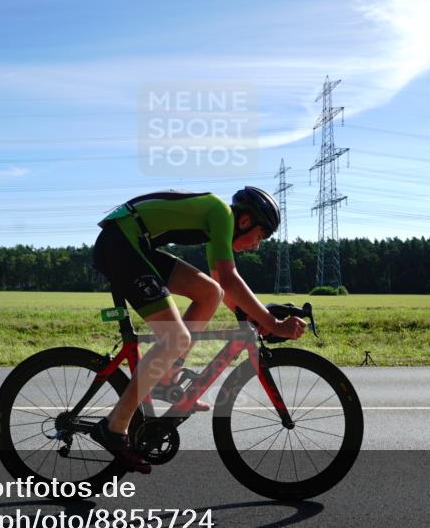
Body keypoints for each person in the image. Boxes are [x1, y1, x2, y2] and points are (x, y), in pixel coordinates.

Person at [90, 187, 307, 472]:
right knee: (175, 338)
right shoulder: (221, 213)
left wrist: (251, 319)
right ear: (245, 222)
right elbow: (231, 278)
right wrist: (271, 322)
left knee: (209, 293)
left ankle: (165, 380)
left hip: (132, 243)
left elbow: (222, 285)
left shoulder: (217, 224)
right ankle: (115, 427)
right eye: (260, 236)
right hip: (120, 244)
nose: (257, 245)